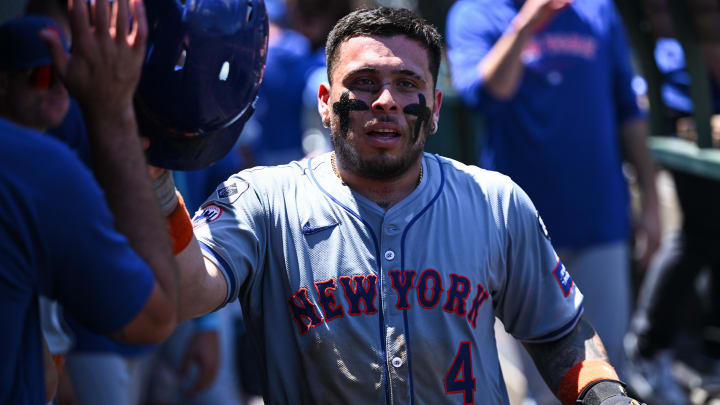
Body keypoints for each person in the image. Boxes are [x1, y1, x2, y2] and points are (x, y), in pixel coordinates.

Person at [157, 7, 643, 404]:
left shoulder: (495, 200)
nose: (386, 100)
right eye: (365, 81)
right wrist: (155, 174)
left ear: (434, 108)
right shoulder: (265, 201)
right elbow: (185, 291)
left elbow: (559, 331)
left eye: (407, 83)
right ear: (326, 101)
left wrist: (606, 397)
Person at [445, 1, 661, 401]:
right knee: (545, 387)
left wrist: (650, 200)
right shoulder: (475, 12)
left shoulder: (597, 10)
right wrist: (528, 21)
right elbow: (486, 93)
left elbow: (628, 110)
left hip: (600, 216)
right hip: (520, 229)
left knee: (610, 370)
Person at [0, 2, 181, 403]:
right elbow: (154, 315)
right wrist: (113, 110)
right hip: (104, 333)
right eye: (45, 73)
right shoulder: (34, 165)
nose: (60, 85)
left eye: (65, 76)